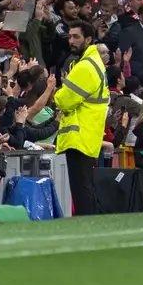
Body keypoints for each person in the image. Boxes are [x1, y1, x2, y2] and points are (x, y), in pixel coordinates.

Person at [54, 20, 109, 216]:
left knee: (81, 189)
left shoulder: (85, 67)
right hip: (87, 134)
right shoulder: (92, 63)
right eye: (69, 37)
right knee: (85, 187)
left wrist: (59, 92)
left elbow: (63, 100)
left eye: (76, 37)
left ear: (89, 39)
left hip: (79, 136)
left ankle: (88, 226)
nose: (71, 41)